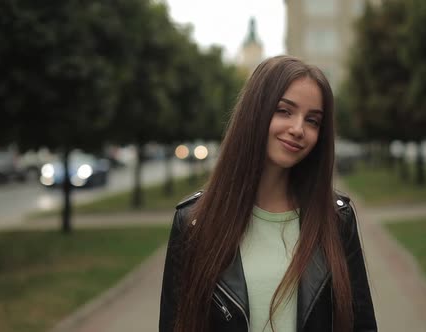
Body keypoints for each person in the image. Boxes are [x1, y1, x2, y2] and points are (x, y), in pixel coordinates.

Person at [159, 55, 376, 332]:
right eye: (284, 111)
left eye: (313, 121)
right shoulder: (193, 222)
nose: (298, 129)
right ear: (255, 112)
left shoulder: (338, 219)